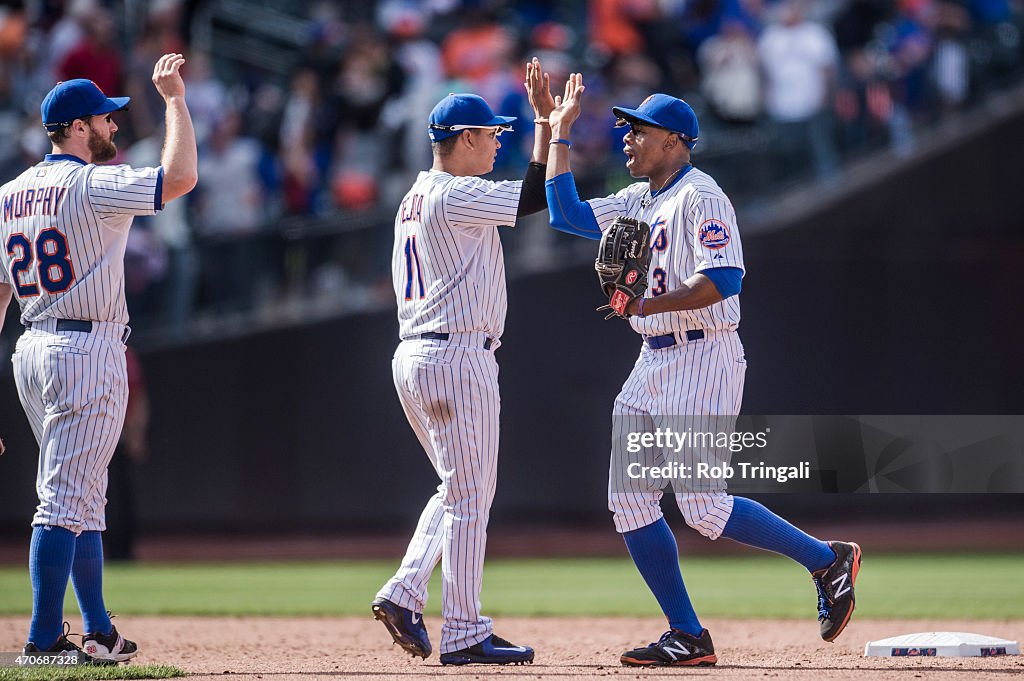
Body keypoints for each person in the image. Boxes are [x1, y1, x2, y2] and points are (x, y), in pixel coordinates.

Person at [543, 75, 861, 667]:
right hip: (651, 360)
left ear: (674, 140)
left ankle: (827, 560)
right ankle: (687, 633)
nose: (627, 139)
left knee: (704, 509)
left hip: (702, 353)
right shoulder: (638, 198)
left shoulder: (702, 196)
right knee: (630, 502)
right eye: (626, 129)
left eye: (638, 130)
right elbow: (564, 214)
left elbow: (723, 281)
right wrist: (557, 133)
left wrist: (645, 304)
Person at [0, 54, 197, 663]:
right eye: (106, 119)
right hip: (84, 348)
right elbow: (180, 177)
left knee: (83, 497)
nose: (114, 126)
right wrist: (174, 101)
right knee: (63, 499)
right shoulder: (91, 183)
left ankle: (98, 630)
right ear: (79, 127)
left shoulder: (7, 195)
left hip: (30, 350)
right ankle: (41, 641)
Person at [370, 59, 553, 666]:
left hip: (415, 355)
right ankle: (465, 630)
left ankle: (403, 592)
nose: (498, 141)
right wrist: (547, 122)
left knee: (456, 490)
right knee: (471, 498)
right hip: (456, 355)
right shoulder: (455, 192)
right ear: (464, 140)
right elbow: (536, 194)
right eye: (491, 133)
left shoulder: (414, 195)